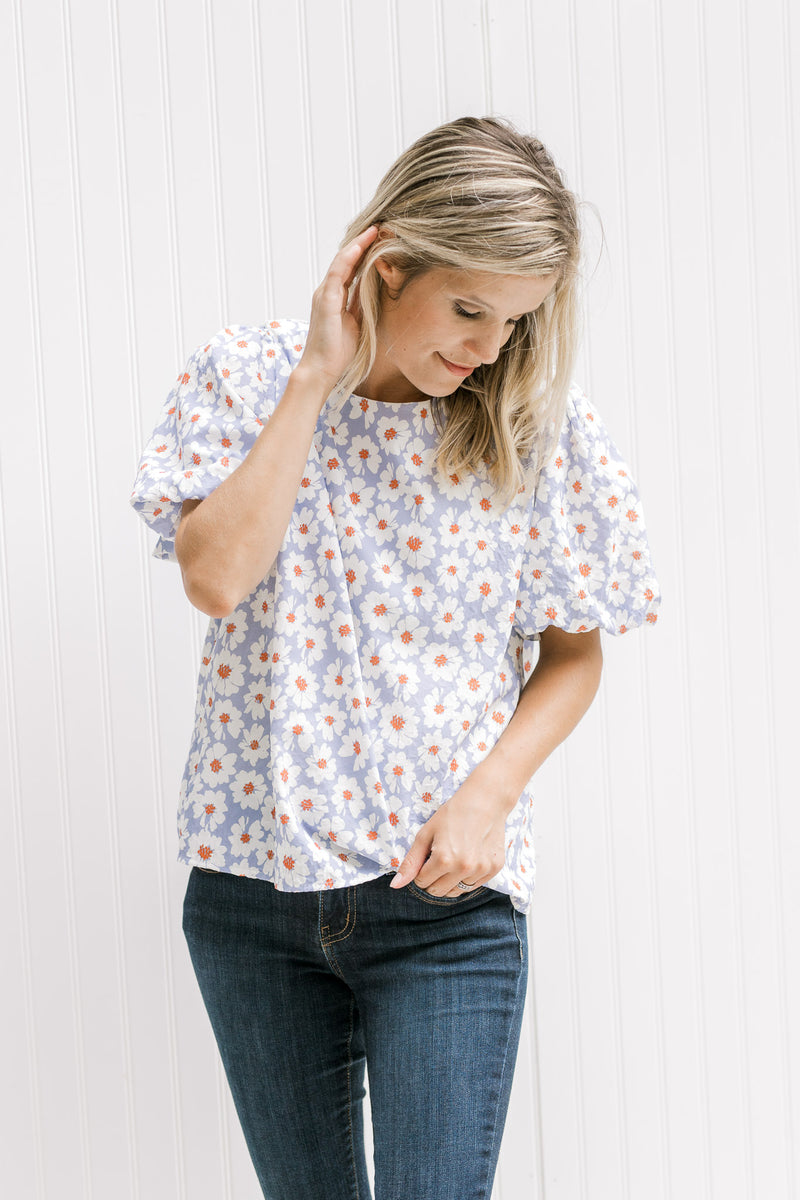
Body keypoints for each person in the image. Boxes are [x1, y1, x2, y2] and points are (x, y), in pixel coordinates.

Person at [130, 116, 661, 1200]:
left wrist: (487, 796)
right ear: (382, 261)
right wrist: (314, 380)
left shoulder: (531, 427)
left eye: (513, 321)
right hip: (250, 902)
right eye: (467, 308)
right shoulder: (244, 379)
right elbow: (214, 579)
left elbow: (572, 654)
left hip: (441, 911)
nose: (485, 347)